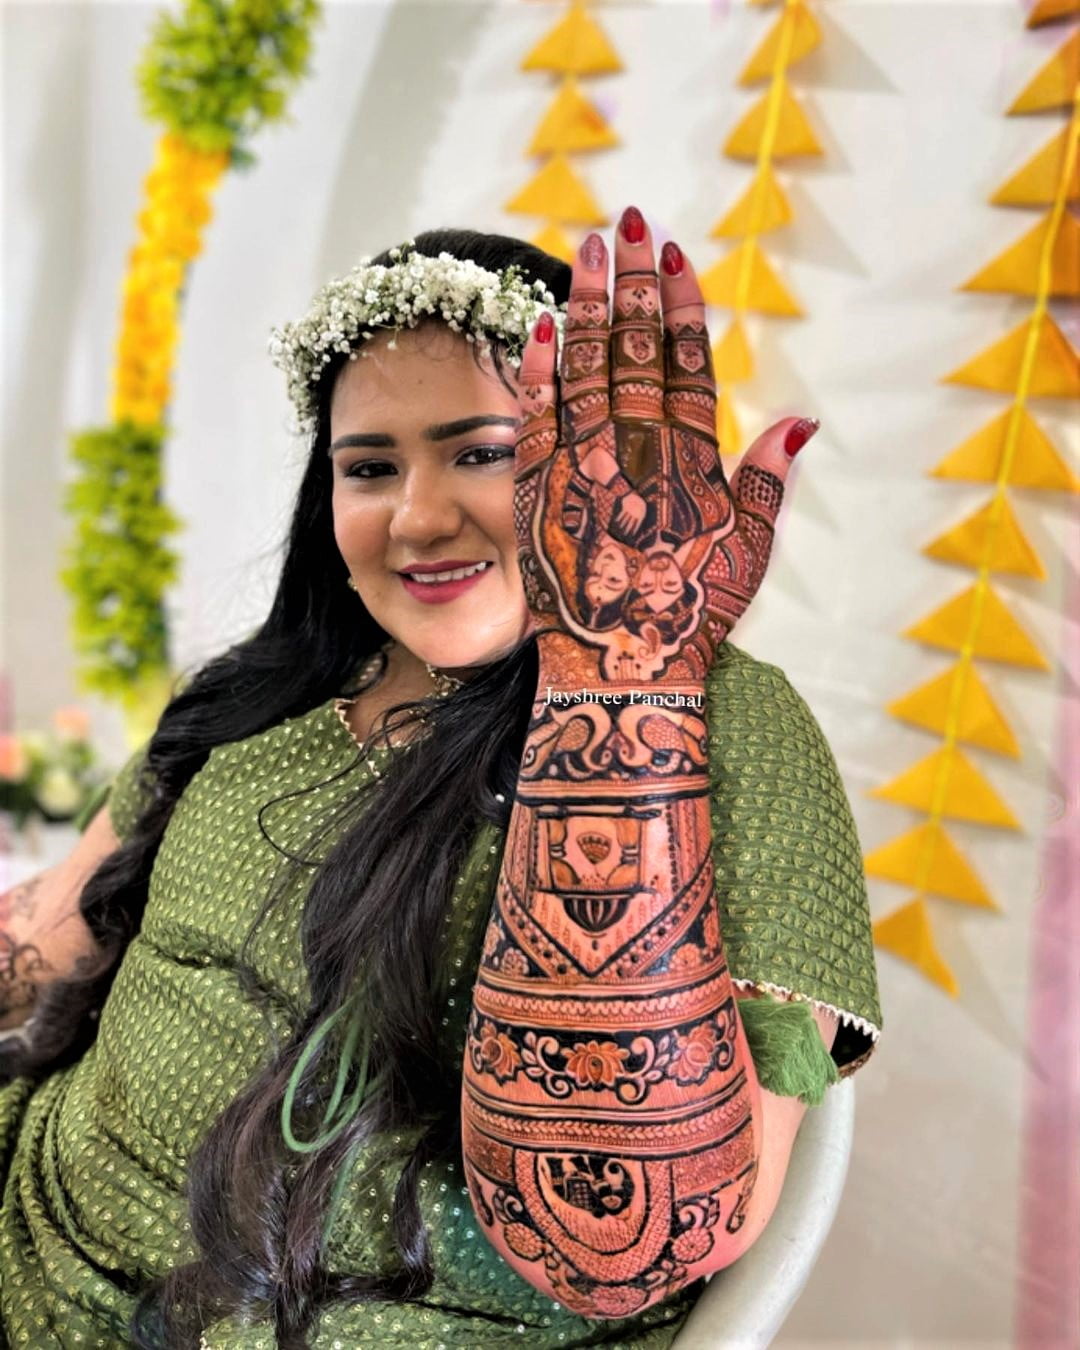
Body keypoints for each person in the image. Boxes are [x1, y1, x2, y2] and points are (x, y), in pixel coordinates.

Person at [0, 207, 883, 1348]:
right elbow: (48, 936)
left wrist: (620, 670)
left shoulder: (729, 727)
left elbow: (619, 1241)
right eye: (370, 467)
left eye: (484, 452)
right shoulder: (257, 692)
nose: (417, 518)